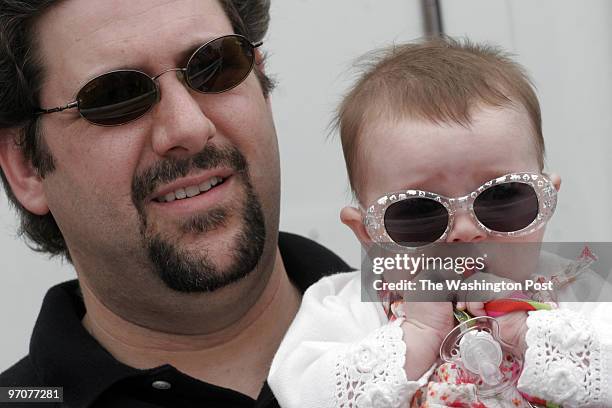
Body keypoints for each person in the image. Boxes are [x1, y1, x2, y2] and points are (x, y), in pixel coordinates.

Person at [0, 1, 351, 407]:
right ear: (26, 166)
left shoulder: (431, 331)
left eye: (214, 65)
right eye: (116, 96)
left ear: (260, 80)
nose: (189, 127)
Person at [268, 37, 612, 407]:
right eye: (418, 213)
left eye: (500, 198)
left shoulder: (580, 294)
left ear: (546, 202)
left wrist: (524, 328)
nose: (464, 232)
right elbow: (301, 395)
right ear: (369, 235)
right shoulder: (344, 308)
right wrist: (415, 337)